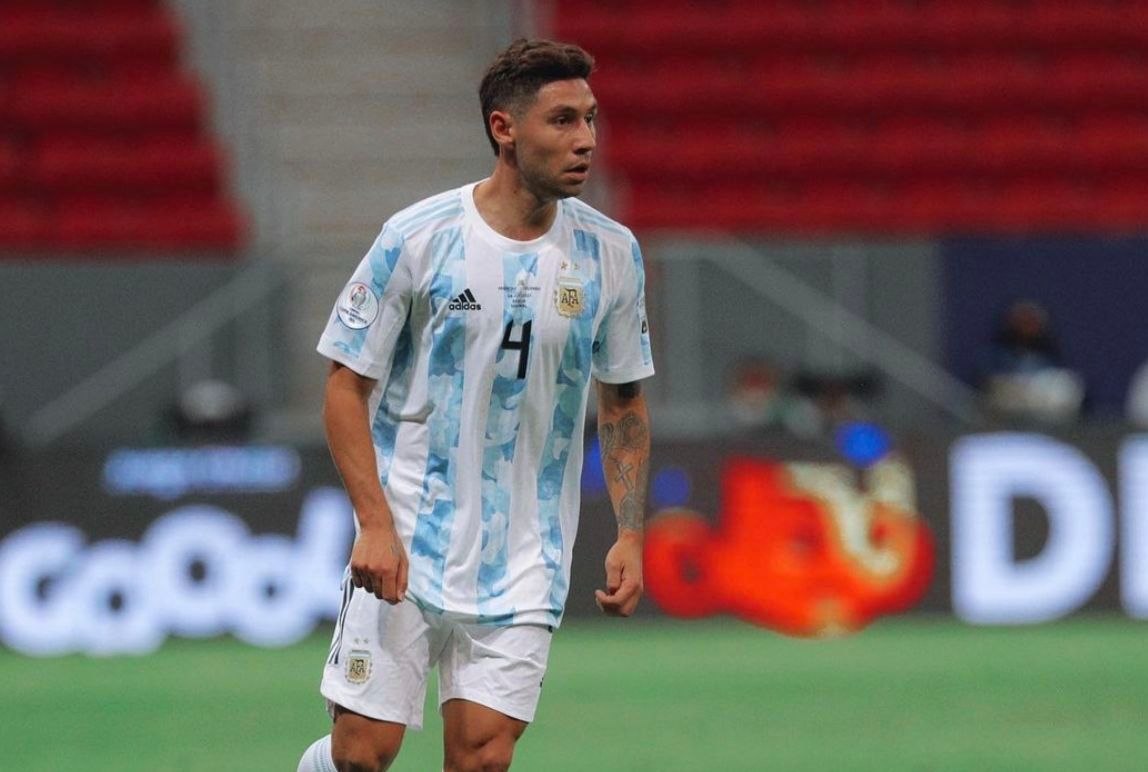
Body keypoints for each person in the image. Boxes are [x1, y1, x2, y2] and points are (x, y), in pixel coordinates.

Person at [297, 38, 655, 772]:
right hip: (407, 541)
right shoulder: (419, 238)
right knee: (362, 757)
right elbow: (344, 383)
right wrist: (372, 524)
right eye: (562, 121)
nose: (586, 139)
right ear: (504, 129)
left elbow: (622, 400)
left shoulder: (612, 254)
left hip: (528, 557)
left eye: (591, 119)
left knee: (482, 759)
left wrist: (628, 532)